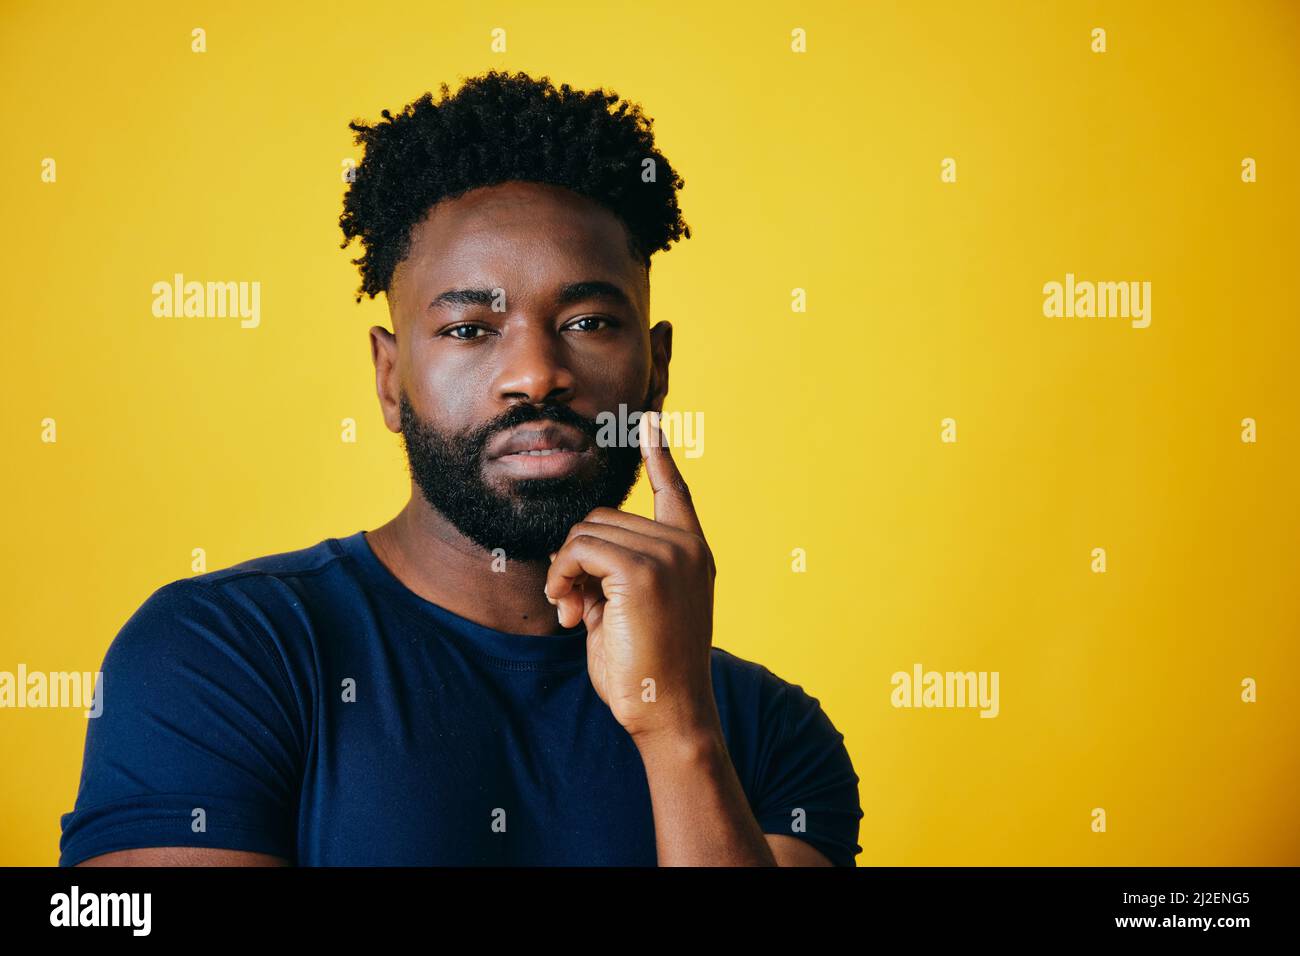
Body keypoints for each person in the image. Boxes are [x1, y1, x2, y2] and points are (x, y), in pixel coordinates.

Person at [59, 70, 863, 866]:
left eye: (586, 321)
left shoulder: (767, 733)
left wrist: (678, 727)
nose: (536, 373)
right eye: (471, 329)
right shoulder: (219, 656)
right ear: (388, 378)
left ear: (656, 369)